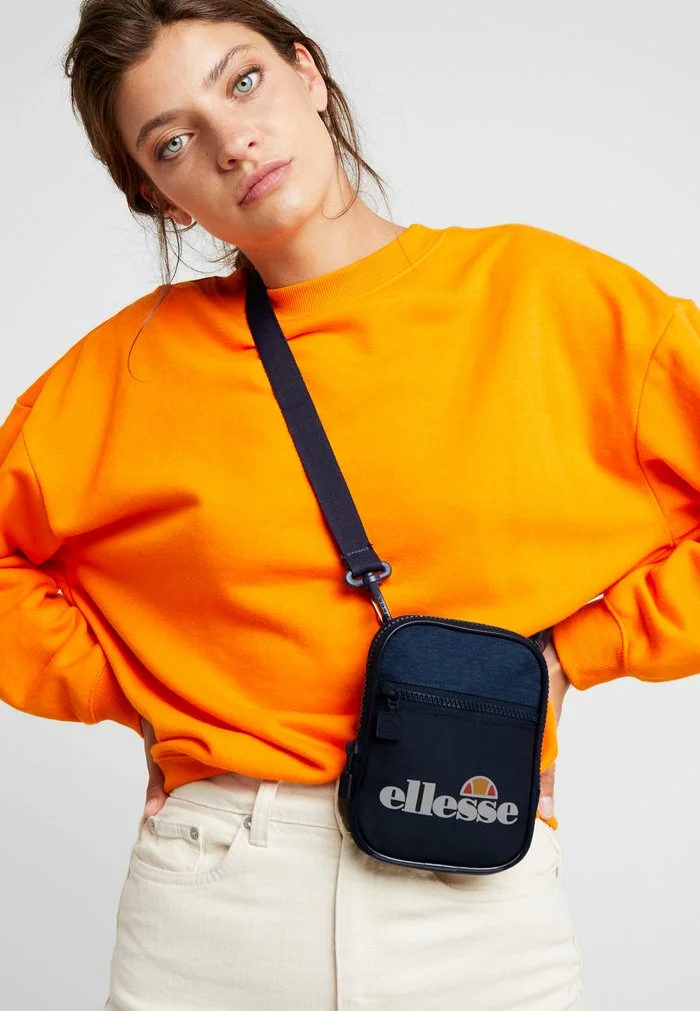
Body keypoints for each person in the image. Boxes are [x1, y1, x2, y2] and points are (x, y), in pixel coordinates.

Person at [3, 1, 700, 1008]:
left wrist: (580, 652)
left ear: (307, 72)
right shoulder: (127, 370)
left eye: (243, 81)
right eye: (173, 141)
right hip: (216, 894)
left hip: (473, 889)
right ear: (159, 197)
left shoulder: (544, 297)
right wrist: (130, 688)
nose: (233, 142)